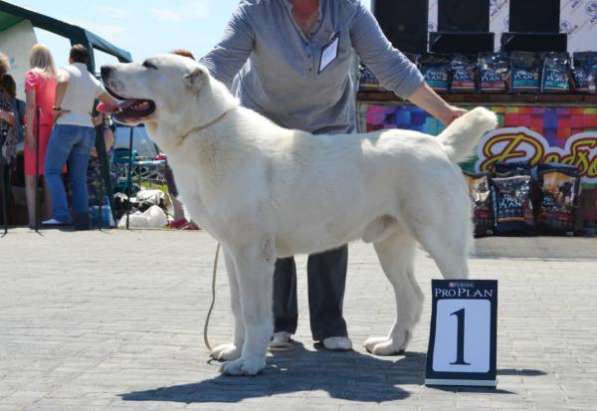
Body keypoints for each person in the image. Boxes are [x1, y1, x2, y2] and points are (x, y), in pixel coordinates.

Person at [201, 0, 466, 351]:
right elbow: (220, 62)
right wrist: (182, 84)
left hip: (330, 132)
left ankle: (329, 326)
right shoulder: (254, 11)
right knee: (264, 232)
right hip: (266, 136)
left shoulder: (349, 11)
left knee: (333, 222)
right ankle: (276, 326)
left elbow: (390, 66)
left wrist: (445, 113)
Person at [43, 44, 117, 227]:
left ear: (70, 57)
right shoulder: (92, 79)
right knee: (79, 176)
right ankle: (82, 217)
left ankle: (61, 215)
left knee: (51, 171)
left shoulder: (66, 70)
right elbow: (111, 102)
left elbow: (62, 81)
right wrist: (100, 115)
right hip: (86, 128)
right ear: (87, 60)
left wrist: (56, 108)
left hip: (66, 125)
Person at [24, 44, 57, 227]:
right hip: (53, 130)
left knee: (30, 178)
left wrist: (29, 132)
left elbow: (30, 106)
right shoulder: (56, 78)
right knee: (49, 177)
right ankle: (49, 218)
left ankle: (31, 221)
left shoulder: (32, 75)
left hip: (36, 128)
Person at [0, 59, 20, 226]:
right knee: (5, 184)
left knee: (4, 184)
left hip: (5, 147)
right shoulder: (12, 98)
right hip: (9, 148)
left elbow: (11, 119)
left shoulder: (4, 97)